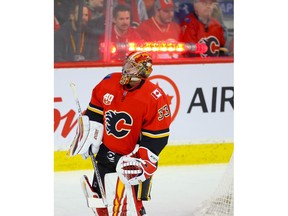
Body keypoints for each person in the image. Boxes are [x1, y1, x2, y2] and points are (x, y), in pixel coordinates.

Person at [69, 51, 171, 215]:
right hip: (104, 153)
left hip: (129, 160)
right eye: (126, 63)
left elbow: (157, 136)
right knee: (100, 202)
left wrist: (144, 160)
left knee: (127, 207)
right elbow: (95, 111)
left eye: (131, 66)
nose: (125, 68)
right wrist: (89, 135)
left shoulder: (155, 97)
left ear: (142, 71)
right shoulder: (109, 81)